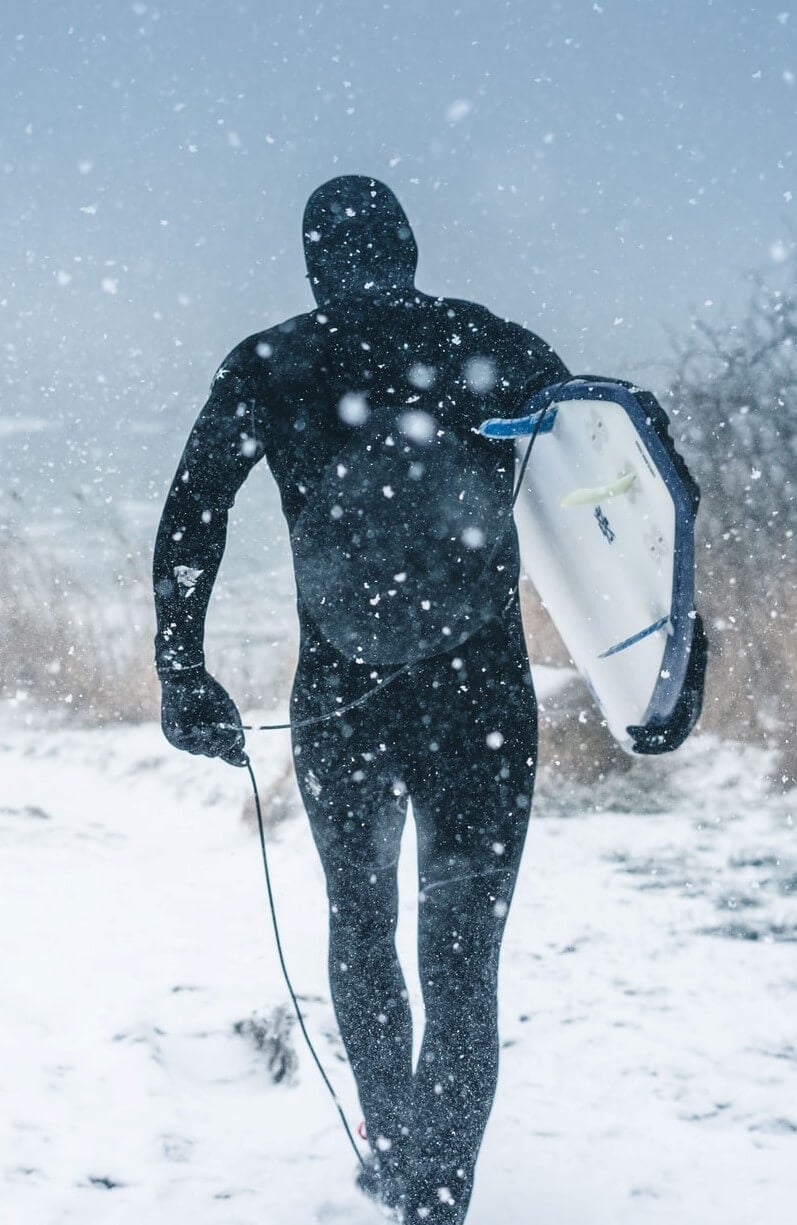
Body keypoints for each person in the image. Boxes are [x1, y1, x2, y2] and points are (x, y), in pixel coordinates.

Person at [153, 174, 569, 1223]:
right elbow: (609, 474)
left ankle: (392, 1153)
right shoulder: (492, 343)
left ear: (310, 261)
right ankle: (436, 1195)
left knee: (362, 924)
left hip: (344, 692)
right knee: (461, 953)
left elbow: (191, 520)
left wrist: (180, 670)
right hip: (480, 692)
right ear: (410, 249)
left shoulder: (269, 362)